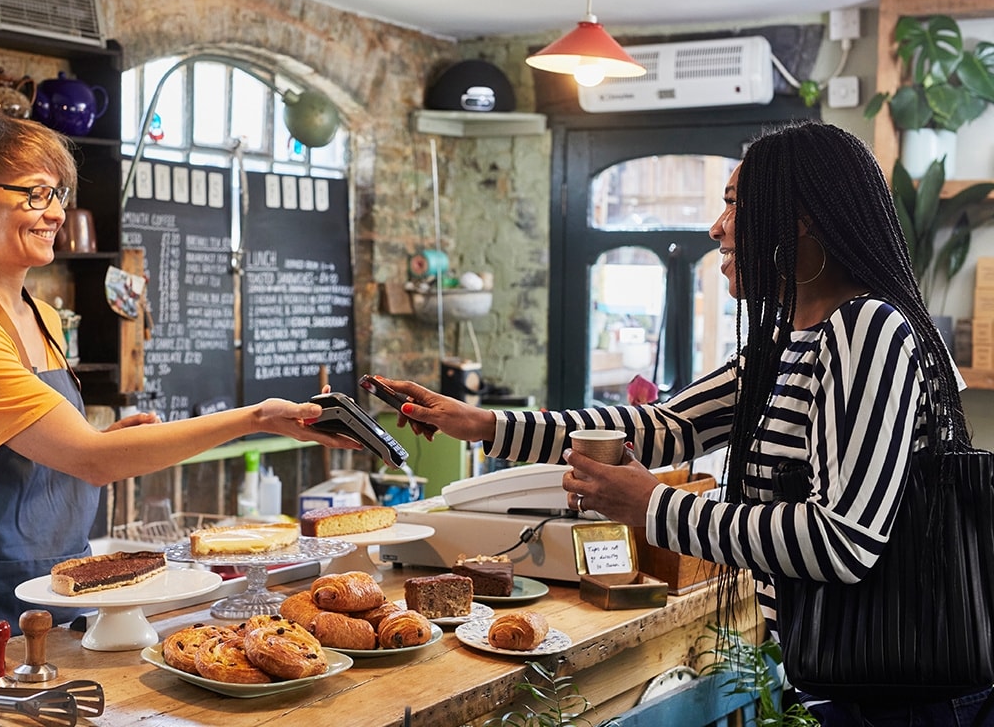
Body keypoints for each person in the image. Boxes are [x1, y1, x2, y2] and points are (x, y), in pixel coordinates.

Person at [381, 121, 991, 726]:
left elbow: (842, 541)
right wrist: (485, 425)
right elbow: (662, 427)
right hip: (854, 688)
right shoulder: (790, 345)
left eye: (733, 205)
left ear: (801, 219)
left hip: (910, 703)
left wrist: (655, 507)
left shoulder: (868, 331)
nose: (716, 227)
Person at [0, 112, 356, 657]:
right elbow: (90, 460)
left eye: (58, 194)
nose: (57, 212)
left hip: (63, 596)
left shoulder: (41, 316)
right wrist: (254, 418)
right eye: (36, 194)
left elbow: (63, 453)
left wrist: (108, 442)